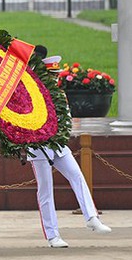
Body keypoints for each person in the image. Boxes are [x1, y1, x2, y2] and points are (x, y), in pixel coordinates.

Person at [28, 55, 111, 248]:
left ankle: (91, 217)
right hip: (39, 147)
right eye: (52, 74)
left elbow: (66, 118)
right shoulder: (34, 95)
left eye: (56, 74)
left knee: (76, 175)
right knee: (46, 191)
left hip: (58, 144)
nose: (56, 78)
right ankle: (52, 235)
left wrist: (62, 134)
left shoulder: (59, 94)